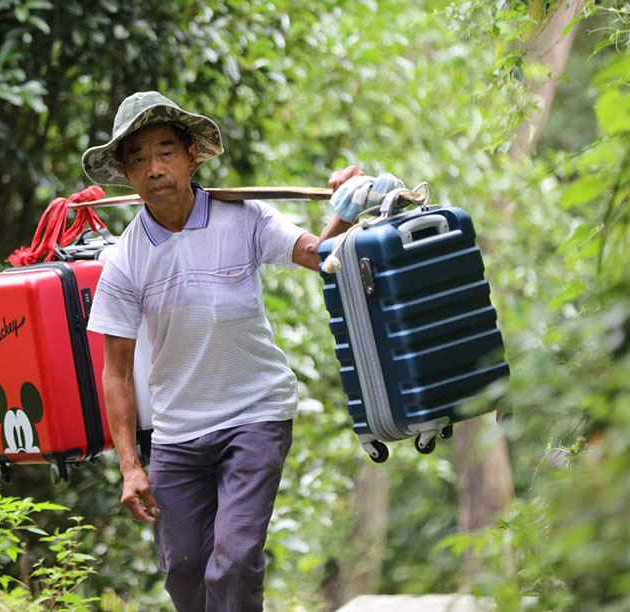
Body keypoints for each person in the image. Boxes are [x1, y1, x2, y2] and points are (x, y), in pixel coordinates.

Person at [82, 91, 403, 612]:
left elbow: (319, 257)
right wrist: (130, 466)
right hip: (178, 433)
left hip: (255, 415)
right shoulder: (125, 259)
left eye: (165, 151)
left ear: (191, 155)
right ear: (125, 171)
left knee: (233, 563)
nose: (154, 168)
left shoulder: (245, 217)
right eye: (138, 158)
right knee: (184, 570)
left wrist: (348, 209)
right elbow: (115, 372)